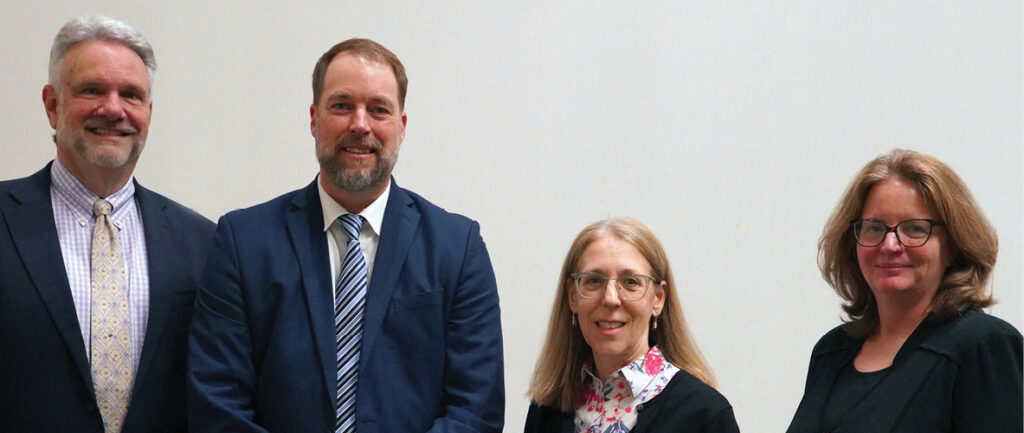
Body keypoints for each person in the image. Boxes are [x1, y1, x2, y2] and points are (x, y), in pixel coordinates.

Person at [187, 38, 504, 433]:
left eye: (378, 109)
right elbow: (217, 402)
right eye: (341, 105)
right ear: (314, 119)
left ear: (401, 127)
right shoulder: (242, 242)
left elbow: (476, 410)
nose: (359, 124)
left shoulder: (457, 247)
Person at [0, 15, 215, 433]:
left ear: (148, 113)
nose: (113, 109)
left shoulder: (203, 242)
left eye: (131, 95)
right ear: (52, 105)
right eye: (92, 90)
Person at [787, 149, 1023, 432]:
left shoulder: (983, 345)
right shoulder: (831, 351)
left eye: (914, 229)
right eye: (874, 228)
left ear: (953, 246)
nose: (889, 245)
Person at [525, 217, 739, 433]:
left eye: (630, 282)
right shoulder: (547, 409)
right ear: (572, 297)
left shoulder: (704, 414)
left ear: (658, 298)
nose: (610, 298)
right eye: (594, 281)